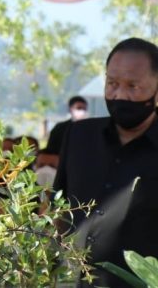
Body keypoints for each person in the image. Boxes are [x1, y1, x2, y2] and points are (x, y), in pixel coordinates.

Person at [55, 38, 158, 287]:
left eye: (133, 86)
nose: (120, 95)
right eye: (112, 84)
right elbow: (57, 208)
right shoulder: (79, 135)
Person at [38, 95, 89, 169]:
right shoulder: (60, 128)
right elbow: (51, 149)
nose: (82, 111)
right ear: (70, 109)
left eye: (84, 109)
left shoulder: (89, 128)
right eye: (79, 108)